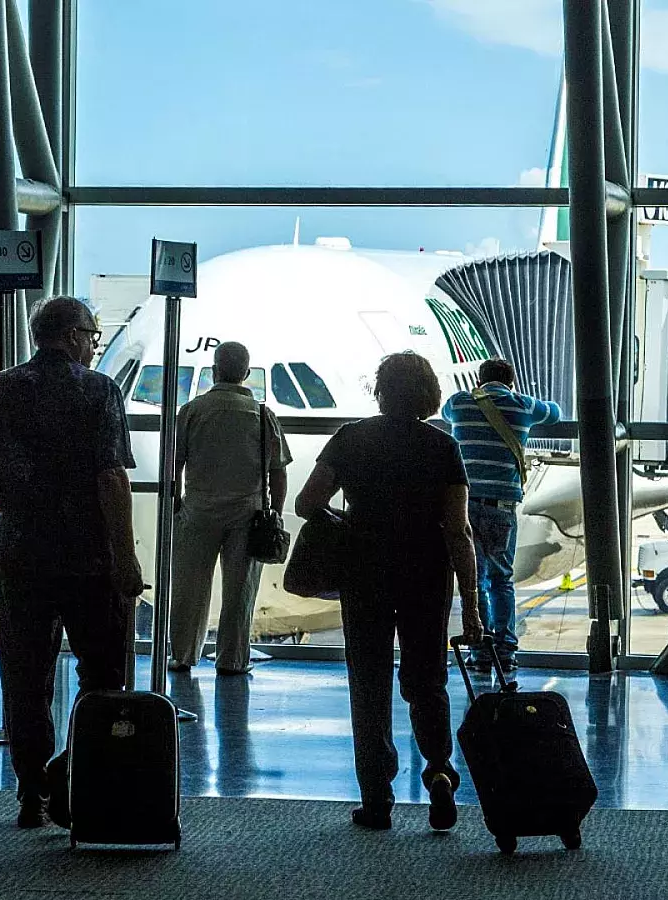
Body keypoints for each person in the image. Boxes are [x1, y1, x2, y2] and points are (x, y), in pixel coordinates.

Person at [0, 296, 146, 830]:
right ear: (74, 336)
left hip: (21, 550)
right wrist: (125, 557)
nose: (95, 344)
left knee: (24, 675)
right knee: (103, 674)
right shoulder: (97, 390)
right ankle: (74, 778)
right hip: (89, 554)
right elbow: (111, 478)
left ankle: (31, 793)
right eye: (93, 335)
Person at [294, 351, 482, 832]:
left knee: (369, 684)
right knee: (426, 680)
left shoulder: (351, 438)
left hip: (365, 571)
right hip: (425, 572)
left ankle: (376, 798)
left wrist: (347, 521)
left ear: (380, 389)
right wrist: (473, 604)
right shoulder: (442, 446)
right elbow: (458, 531)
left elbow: (307, 502)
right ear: (428, 393)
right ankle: (439, 770)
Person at [169, 341, 291, 676]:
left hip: (198, 510)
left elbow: (174, 464)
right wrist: (274, 514)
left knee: (189, 588)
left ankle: (182, 654)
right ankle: (233, 659)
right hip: (247, 514)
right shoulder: (263, 415)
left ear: (214, 370)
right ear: (246, 374)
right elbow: (278, 472)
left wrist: (178, 504)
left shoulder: (192, 411)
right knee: (240, 592)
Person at [442, 357, 562, 673]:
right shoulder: (522, 405)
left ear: (479, 382)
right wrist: (517, 398)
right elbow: (555, 413)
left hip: (465, 504)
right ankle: (505, 652)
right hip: (502, 507)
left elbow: (443, 412)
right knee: (501, 579)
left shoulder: (460, 402)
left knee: (473, 579)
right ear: (510, 383)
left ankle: (480, 653)